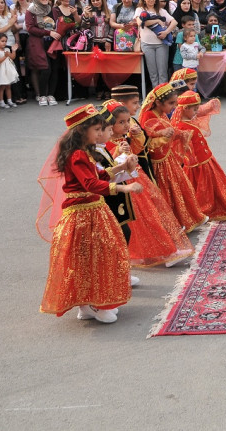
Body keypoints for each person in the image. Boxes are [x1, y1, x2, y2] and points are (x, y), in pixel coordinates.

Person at [39, 104, 142, 323]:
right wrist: (124, 187)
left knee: (95, 256)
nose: (100, 133)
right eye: (96, 129)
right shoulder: (77, 155)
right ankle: (95, 304)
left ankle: (88, 305)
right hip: (83, 214)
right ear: (81, 131)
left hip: (94, 209)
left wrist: (123, 168)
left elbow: (101, 175)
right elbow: (90, 183)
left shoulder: (86, 152)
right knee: (95, 257)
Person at [102, 100, 193, 268]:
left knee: (152, 214)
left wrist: (135, 136)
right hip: (124, 184)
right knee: (139, 221)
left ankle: (166, 249)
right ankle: (163, 252)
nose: (126, 125)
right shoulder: (106, 143)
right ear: (109, 124)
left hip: (137, 178)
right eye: (121, 122)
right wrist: (118, 152)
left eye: (127, 121)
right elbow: (106, 166)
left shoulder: (123, 136)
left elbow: (138, 150)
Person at [137, 83, 208, 232]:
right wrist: (164, 136)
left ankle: (187, 219)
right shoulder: (148, 116)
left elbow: (167, 132)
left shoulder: (161, 113)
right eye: (171, 103)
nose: (174, 107)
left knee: (180, 188)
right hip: (158, 163)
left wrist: (175, 134)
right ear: (157, 102)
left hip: (167, 158)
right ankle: (171, 225)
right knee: (168, 193)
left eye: (175, 103)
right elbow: (146, 144)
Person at [173, 92, 226, 220]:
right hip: (198, 164)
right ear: (185, 109)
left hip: (205, 161)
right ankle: (225, 209)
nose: (196, 112)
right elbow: (181, 149)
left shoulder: (188, 120)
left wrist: (210, 105)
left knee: (215, 188)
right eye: (194, 109)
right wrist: (193, 163)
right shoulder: (181, 127)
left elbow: (201, 112)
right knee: (207, 190)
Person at [0, 32, 19, 108]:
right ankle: (1, 101)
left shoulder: (6, 49)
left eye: (5, 41)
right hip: (1, 70)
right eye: (2, 41)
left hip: (8, 69)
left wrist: (13, 50)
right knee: (2, 86)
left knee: (8, 86)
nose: (4, 43)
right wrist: (5, 56)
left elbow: (12, 57)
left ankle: (9, 100)